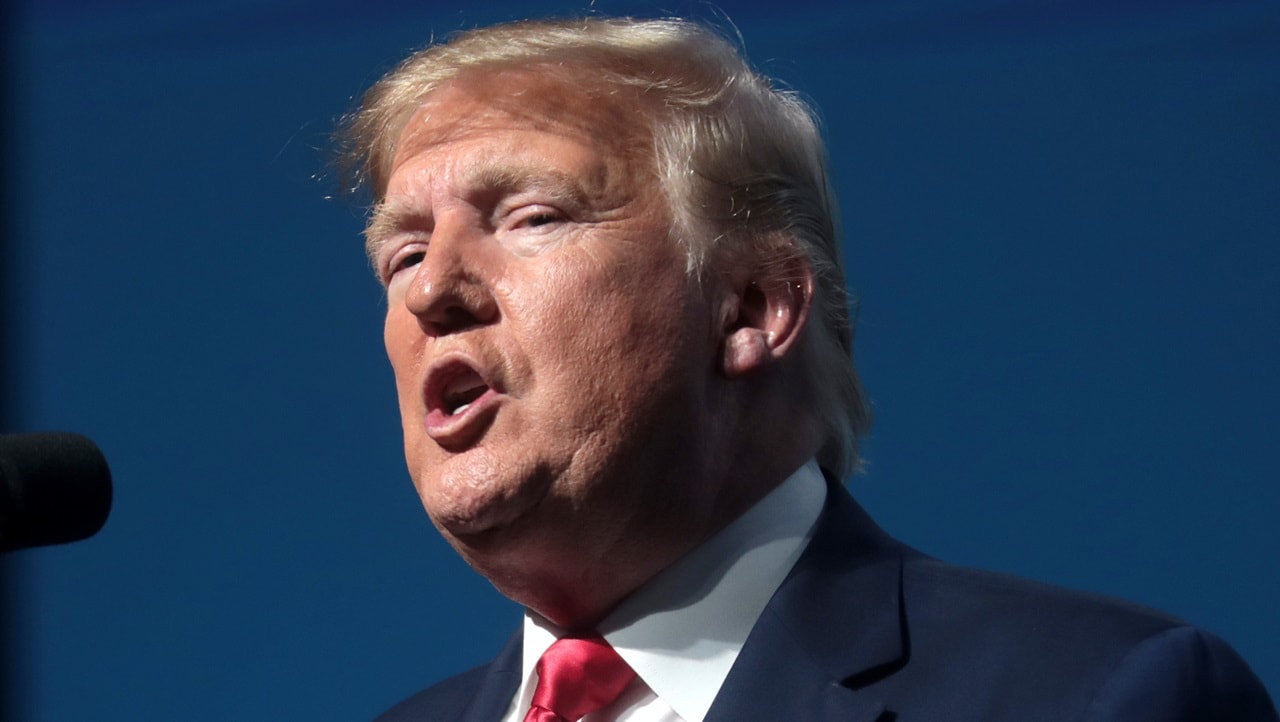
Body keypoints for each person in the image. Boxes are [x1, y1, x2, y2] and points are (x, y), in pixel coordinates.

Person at [337, 16, 1278, 722]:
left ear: (752, 307)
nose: (433, 292)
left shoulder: (1094, 696)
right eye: (403, 255)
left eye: (530, 217)